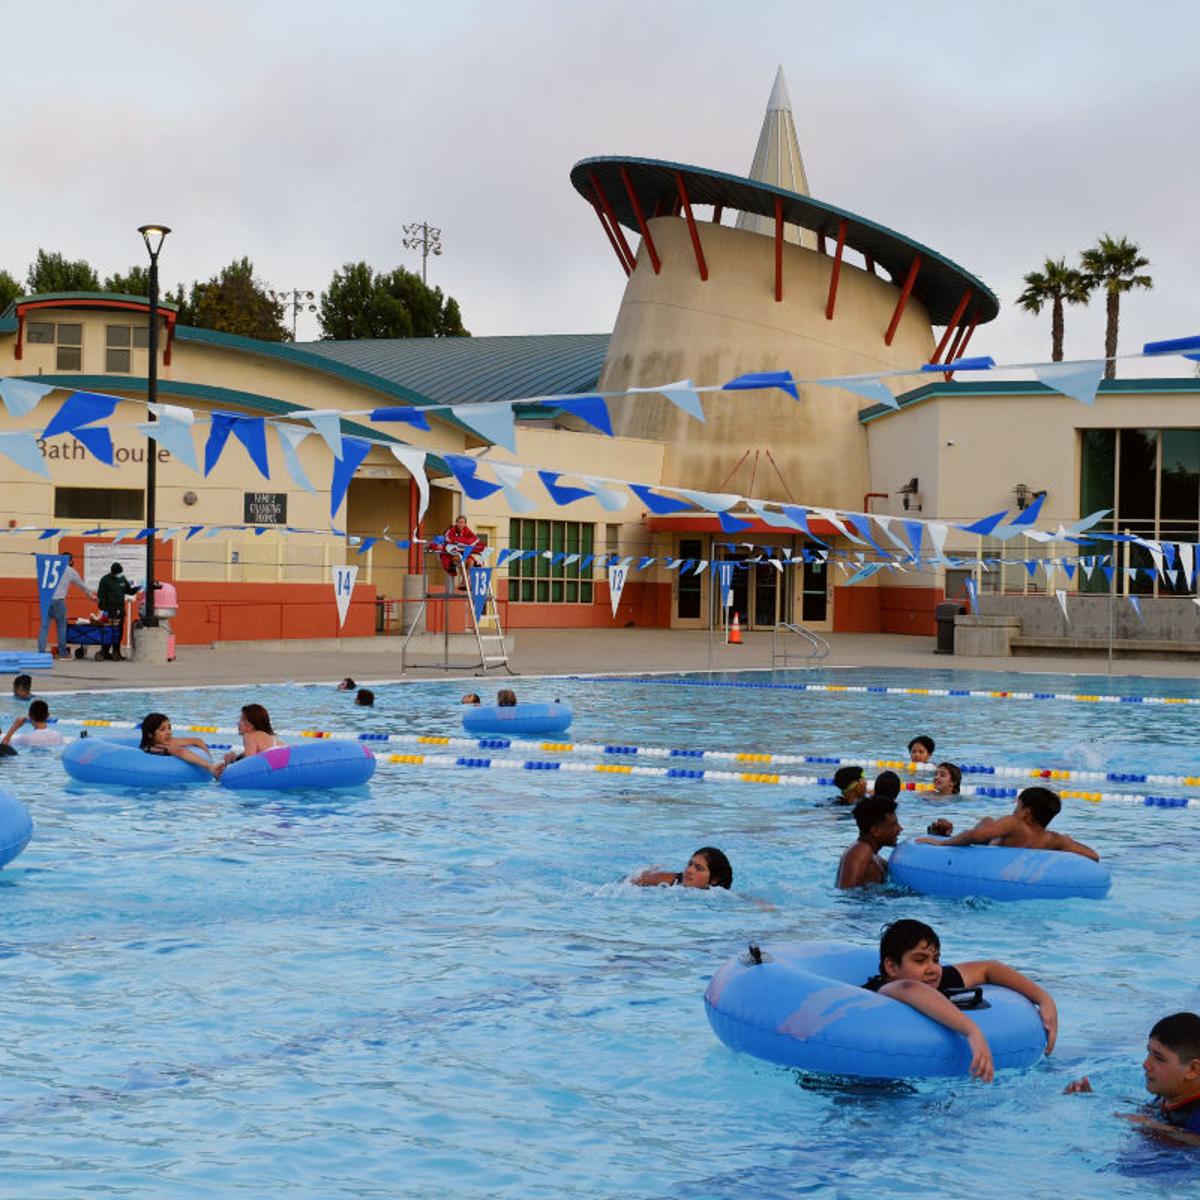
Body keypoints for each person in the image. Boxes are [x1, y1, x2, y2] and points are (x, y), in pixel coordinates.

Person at [863, 919, 1058, 1083]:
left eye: (936, 959)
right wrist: (972, 1031)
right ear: (892, 967)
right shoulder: (885, 989)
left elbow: (988, 969)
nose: (932, 969)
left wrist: (1043, 999)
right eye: (920, 960)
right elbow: (910, 989)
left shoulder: (934, 978)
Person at [1066, 1012, 1200, 1144]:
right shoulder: (1170, 1096)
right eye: (1149, 1053)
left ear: (1193, 1070)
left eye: (1159, 1058)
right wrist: (1093, 1098)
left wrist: (1153, 1127)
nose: (1146, 1064)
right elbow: (1148, 1114)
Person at [917, 785, 1099, 860]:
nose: (1014, 809)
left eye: (1018, 805)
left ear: (1026, 813)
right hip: (1017, 867)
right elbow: (1093, 856)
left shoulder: (1014, 823)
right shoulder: (1055, 840)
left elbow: (976, 835)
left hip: (990, 860)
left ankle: (943, 834)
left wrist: (942, 843)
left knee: (987, 821)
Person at [38, 553, 96, 658]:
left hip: (46, 600)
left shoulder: (50, 566)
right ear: (68, 560)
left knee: (44, 627)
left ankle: (41, 652)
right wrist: (92, 597)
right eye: (72, 560)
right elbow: (82, 586)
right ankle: (62, 653)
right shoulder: (70, 571)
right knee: (61, 627)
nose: (73, 562)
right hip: (59, 602)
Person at [836, 795, 901, 889]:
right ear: (876, 831)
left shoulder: (874, 857)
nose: (900, 829)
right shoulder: (860, 853)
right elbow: (846, 895)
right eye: (894, 825)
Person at [139, 712, 219, 778]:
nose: (168, 732)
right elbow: (179, 751)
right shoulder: (150, 748)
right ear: (150, 734)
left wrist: (212, 766)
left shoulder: (169, 741)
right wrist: (209, 767)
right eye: (162, 729)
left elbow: (198, 741)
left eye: (169, 728)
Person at [633, 847, 733, 890]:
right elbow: (632, 881)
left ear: (714, 880)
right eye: (690, 864)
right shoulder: (671, 881)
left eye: (699, 868)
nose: (689, 870)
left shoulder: (721, 895)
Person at [95, 562, 139, 661]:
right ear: (112, 572)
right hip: (108, 610)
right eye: (117, 573)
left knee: (118, 631)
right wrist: (103, 608)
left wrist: (136, 589)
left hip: (120, 610)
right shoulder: (105, 580)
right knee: (108, 631)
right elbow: (101, 595)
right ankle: (105, 651)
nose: (118, 574)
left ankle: (116, 651)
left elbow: (128, 590)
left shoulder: (122, 579)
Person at [438, 514, 481, 590]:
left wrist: (461, 541)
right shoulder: (451, 530)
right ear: (456, 523)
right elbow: (448, 539)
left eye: (463, 522)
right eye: (459, 522)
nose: (461, 524)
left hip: (463, 553)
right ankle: (465, 582)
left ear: (465, 524)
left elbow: (475, 539)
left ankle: (464, 581)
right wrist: (464, 541)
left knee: (471, 561)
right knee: (462, 560)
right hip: (450, 554)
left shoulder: (467, 530)